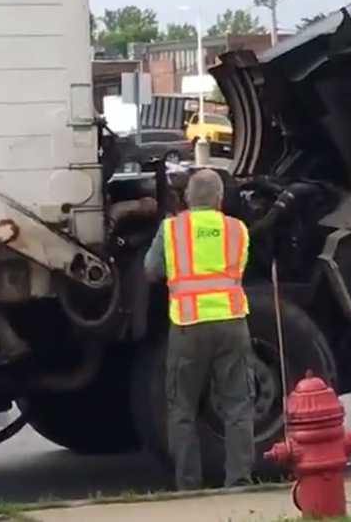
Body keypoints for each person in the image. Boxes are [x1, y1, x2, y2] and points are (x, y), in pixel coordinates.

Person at [144, 169, 254, 490]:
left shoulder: (171, 229)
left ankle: (189, 484)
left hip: (188, 326)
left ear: (187, 198)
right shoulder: (237, 229)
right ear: (220, 199)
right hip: (232, 323)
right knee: (238, 405)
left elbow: (151, 270)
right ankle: (239, 481)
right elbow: (239, 268)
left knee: (182, 408)